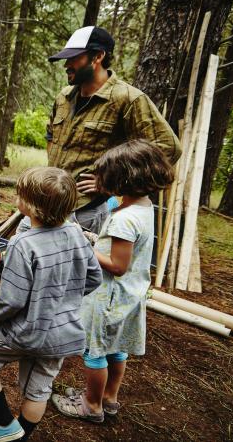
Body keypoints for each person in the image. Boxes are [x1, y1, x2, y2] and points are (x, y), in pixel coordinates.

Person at [0, 167, 102, 442]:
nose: (17, 198)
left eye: (20, 195)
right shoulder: (76, 233)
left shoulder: (22, 243)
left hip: (28, 331)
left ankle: (4, 422)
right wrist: (63, 299)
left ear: (32, 206)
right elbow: (94, 277)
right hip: (63, 333)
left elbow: (12, 301)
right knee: (39, 388)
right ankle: (19, 438)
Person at [51, 140, 174, 423]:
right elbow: (124, 250)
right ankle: (109, 398)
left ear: (123, 178)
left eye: (105, 175)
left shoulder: (124, 219)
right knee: (116, 349)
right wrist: (94, 238)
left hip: (106, 297)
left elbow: (118, 266)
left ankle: (91, 405)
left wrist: (84, 246)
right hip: (129, 294)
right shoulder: (144, 207)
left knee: (94, 351)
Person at [43, 26, 181, 235]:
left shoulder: (128, 99)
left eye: (74, 58)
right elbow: (51, 136)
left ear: (98, 56)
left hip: (84, 212)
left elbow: (168, 147)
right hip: (49, 202)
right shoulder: (64, 96)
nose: (66, 65)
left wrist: (112, 184)